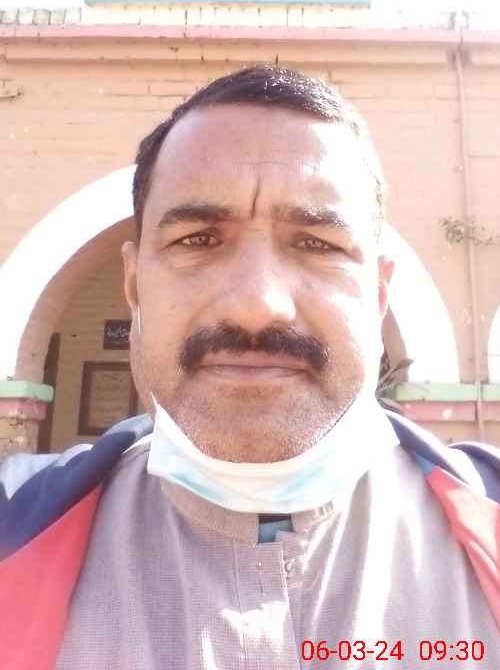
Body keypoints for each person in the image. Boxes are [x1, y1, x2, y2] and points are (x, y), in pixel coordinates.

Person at [1, 65, 499, 670]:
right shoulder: (16, 526)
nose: (257, 304)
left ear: (377, 294)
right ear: (134, 286)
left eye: (317, 244)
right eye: (197, 240)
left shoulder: (489, 523)